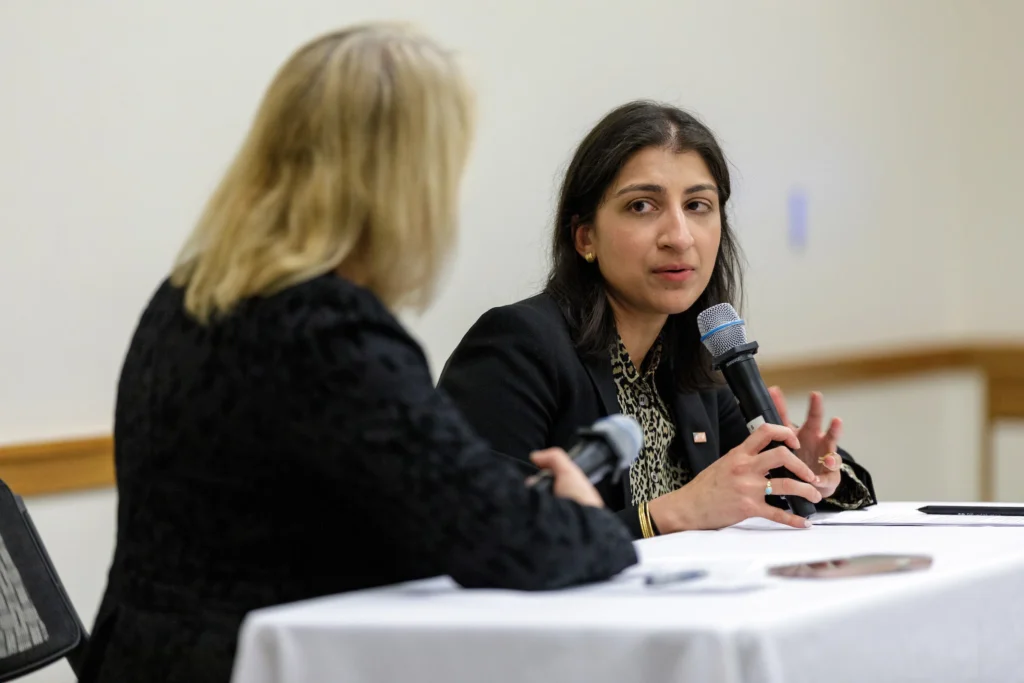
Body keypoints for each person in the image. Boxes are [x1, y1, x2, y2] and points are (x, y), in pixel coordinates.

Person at [78, 24, 637, 683]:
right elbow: (504, 543)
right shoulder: (327, 329)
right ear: (404, 179)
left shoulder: (186, 297)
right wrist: (586, 520)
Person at [438, 101, 876, 540]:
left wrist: (811, 470)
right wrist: (669, 513)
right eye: (643, 206)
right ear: (585, 236)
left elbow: (754, 492)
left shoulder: (688, 360)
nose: (679, 237)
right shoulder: (519, 344)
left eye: (698, 205)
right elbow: (480, 529)